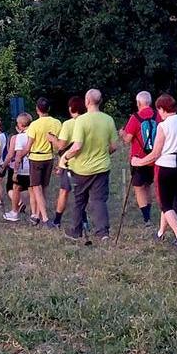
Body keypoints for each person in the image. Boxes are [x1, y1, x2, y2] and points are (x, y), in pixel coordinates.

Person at [131, 93, 177, 247]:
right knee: (169, 199)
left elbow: (155, 153)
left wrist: (138, 161)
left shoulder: (163, 125)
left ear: (161, 109)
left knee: (165, 204)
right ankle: (160, 233)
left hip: (166, 167)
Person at [60, 89, 118, 243]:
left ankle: (76, 230)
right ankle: (103, 232)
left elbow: (77, 146)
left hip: (82, 168)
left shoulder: (82, 121)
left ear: (87, 101)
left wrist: (65, 157)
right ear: (100, 101)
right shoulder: (108, 120)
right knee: (99, 200)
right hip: (102, 167)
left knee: (79, 200)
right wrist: (104, 153)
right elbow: (114, 146)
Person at [120, 91, 157, 226]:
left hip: (138, 158)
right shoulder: (158, 115)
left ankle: (146, 217)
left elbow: (128, 139)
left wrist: (122, 134)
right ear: (150, 102)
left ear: (138, 103)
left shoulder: (135, 118)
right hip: (154, 158)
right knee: (148, 185)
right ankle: (149, 212)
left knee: (138, 187)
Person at [25, 98, 62, 228]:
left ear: (37, 109)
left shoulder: (34, 125)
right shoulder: (57, 123)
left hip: (36, 158)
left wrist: (20, 155)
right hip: (49, 157)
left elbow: (29, 145)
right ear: (49, 109)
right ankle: (37, 214)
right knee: (44, 187)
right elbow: (59, 142)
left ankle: (45, 218)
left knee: (36, 187)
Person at [51, 96, 83, 228]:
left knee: (64, 191)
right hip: (85, 162)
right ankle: (84, 219)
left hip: (69, 162)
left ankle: (57, 220)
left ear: (71, 109)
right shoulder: (87, 121)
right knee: (82, 193)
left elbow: (61, 145)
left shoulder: (68, 124)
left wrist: (52, 139)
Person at [3, 113, 33, 222]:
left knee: (15, 188)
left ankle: (14, 211)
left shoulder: (19, 137)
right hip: (33, 166)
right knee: (32, 190)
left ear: (20, 125)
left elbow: (17, 155)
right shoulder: (34, 134)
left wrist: (15, 171)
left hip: (23, 167)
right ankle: (35, 214)